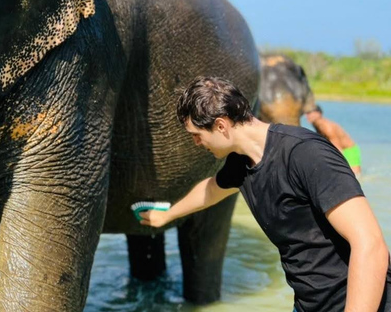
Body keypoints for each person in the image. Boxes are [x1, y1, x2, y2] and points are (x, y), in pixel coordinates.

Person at [140, 76, 390, 312]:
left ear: (221, 125)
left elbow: (370, 245)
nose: (197, 144)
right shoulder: (241, 163)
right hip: (309, 304)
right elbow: (211, 189)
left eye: (197, 136)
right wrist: (166, 216)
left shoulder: (305, 153)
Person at [306, 104, 362, 176]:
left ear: (319, 113)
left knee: (355, 177)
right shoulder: (316, 125)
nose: (308, 116)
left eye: (310, 112)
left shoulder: (327, 127)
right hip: (342, 150)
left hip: (349, 151)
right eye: (307, 113)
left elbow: (337, 147)